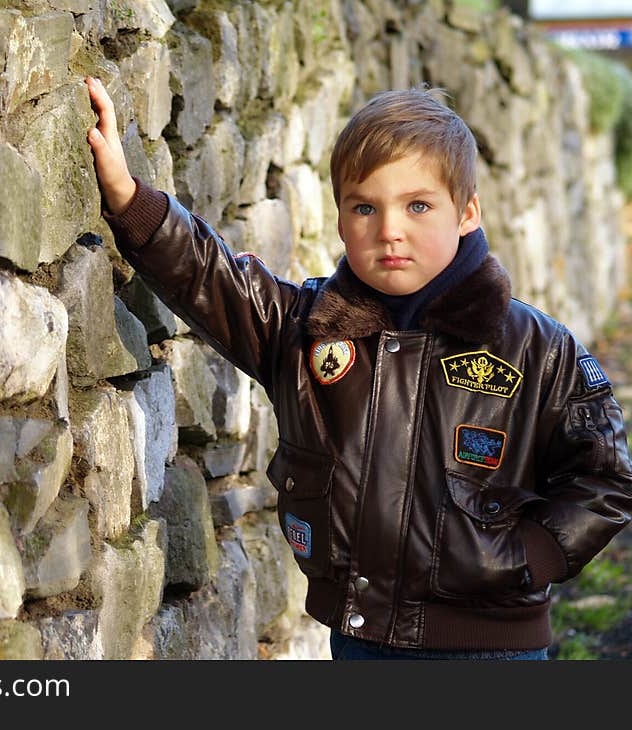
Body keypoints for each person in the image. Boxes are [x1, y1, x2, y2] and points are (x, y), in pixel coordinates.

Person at [85, 76, 632, 660]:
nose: (390, 230)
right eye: (365, 207)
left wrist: (527, 557)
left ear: (467, 211)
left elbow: (605, 478)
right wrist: (125, 196)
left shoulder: (536, 348)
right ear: (341, 217)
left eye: (418, 205)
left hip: (492, 649)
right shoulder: (303, 328)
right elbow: (210, 277)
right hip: (359, 639)